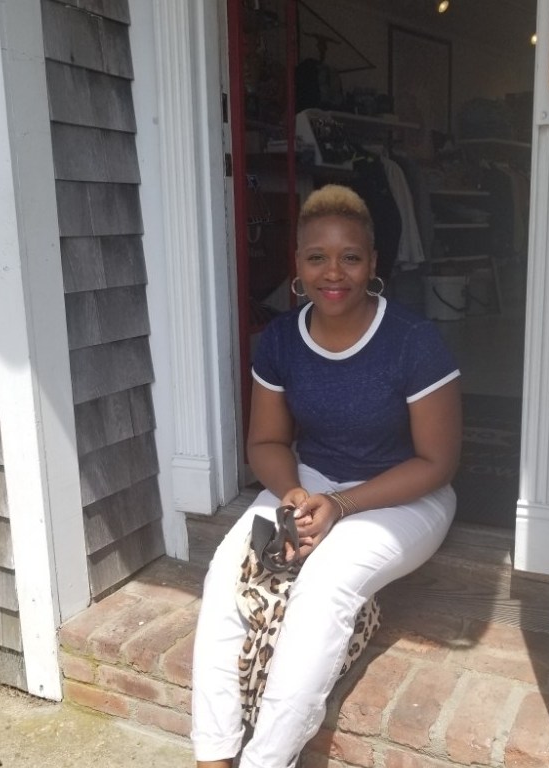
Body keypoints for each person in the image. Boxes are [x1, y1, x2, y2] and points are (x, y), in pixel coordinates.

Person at [191, 184, 462, 768]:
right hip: (313, 478)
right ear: (297, 263)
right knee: (224, 575)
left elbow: (437, 462)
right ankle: (212, 754)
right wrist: (292, 492)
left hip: (407, 492)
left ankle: (267, 760)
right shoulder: (282, 339)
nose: (333, 272)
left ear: (373, 263)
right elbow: (266, 442)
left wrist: (340, 505)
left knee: (324, 587)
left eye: (350, 257)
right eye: (317, 257)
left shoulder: (413, 341)